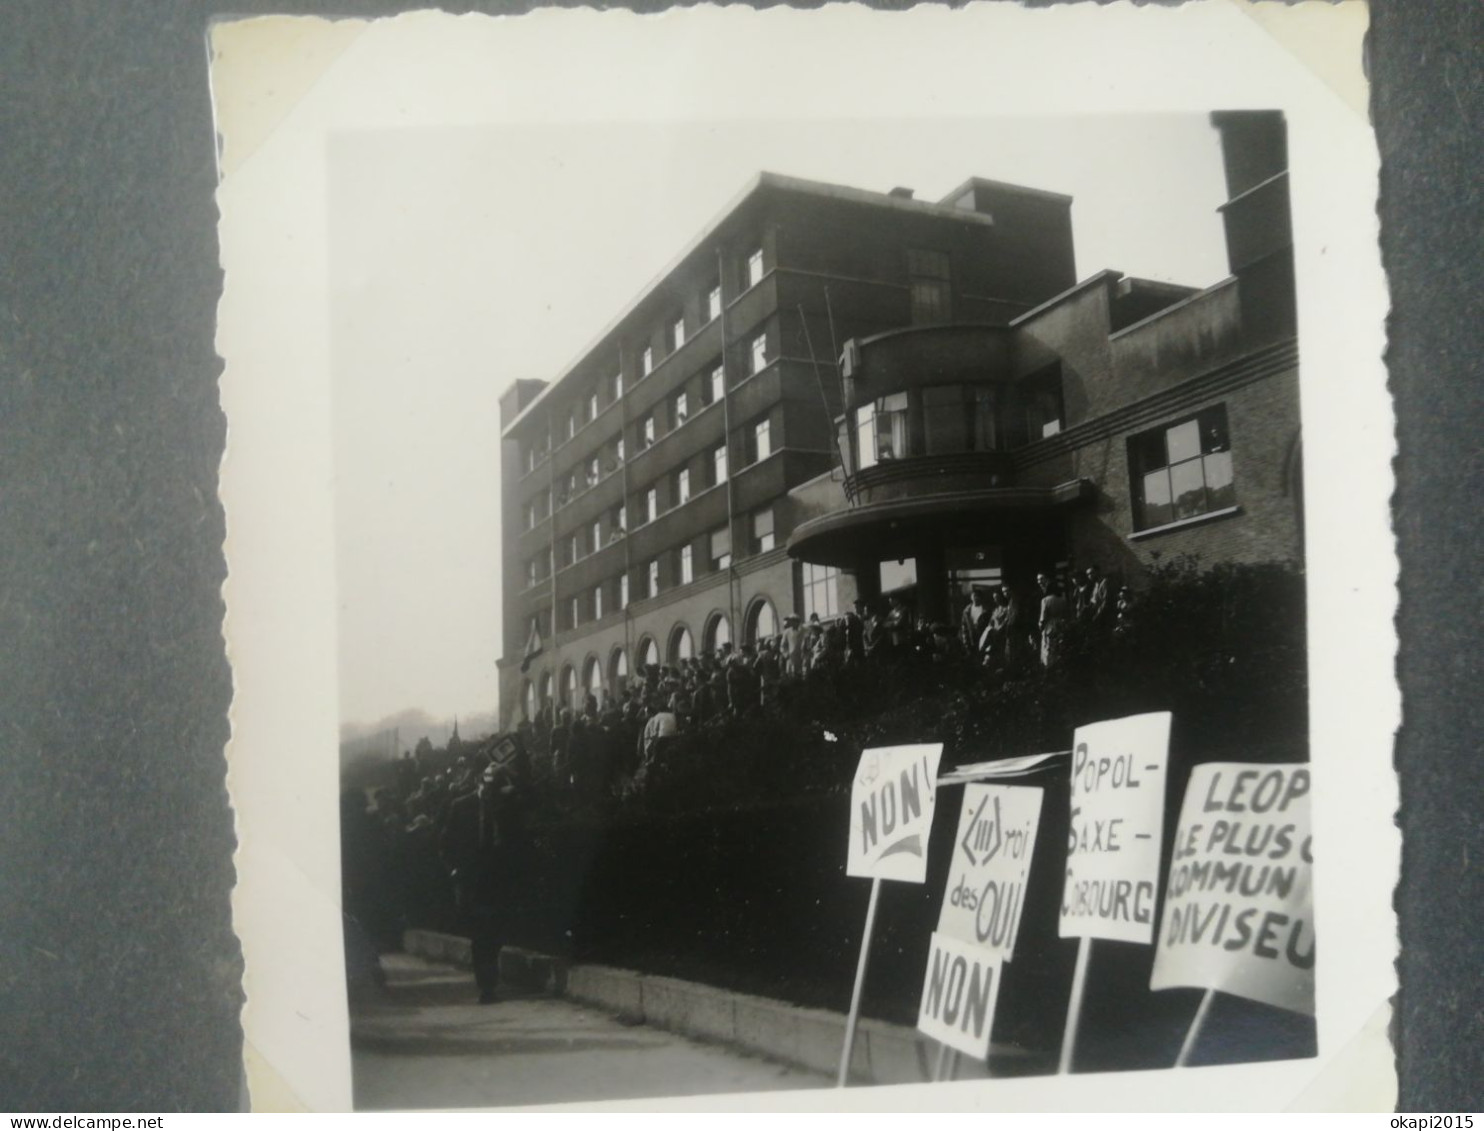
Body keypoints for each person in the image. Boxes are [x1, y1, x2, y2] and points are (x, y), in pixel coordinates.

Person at [1037, 571, 1069, 668]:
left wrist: (1041, 627)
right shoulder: (1063, 600)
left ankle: (1049, 668)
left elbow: (1043, 618)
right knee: (1059, 647)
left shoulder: (1045, 600)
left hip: (1049, 626)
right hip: (1060, 624)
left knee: (1049, 648)